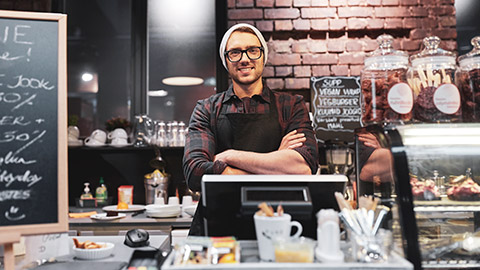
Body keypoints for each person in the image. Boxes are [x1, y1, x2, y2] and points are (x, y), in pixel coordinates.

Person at [182, 23, 319, 235]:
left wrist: (229, 156)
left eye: (253, 50)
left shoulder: (292, 106)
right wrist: (277, 162)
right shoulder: (207, 109)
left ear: (263, 56)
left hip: (279, 225)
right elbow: (196, 172)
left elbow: (303, 167)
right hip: (218, 228)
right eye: (235, 52)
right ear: (226, 61)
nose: (244, 59)